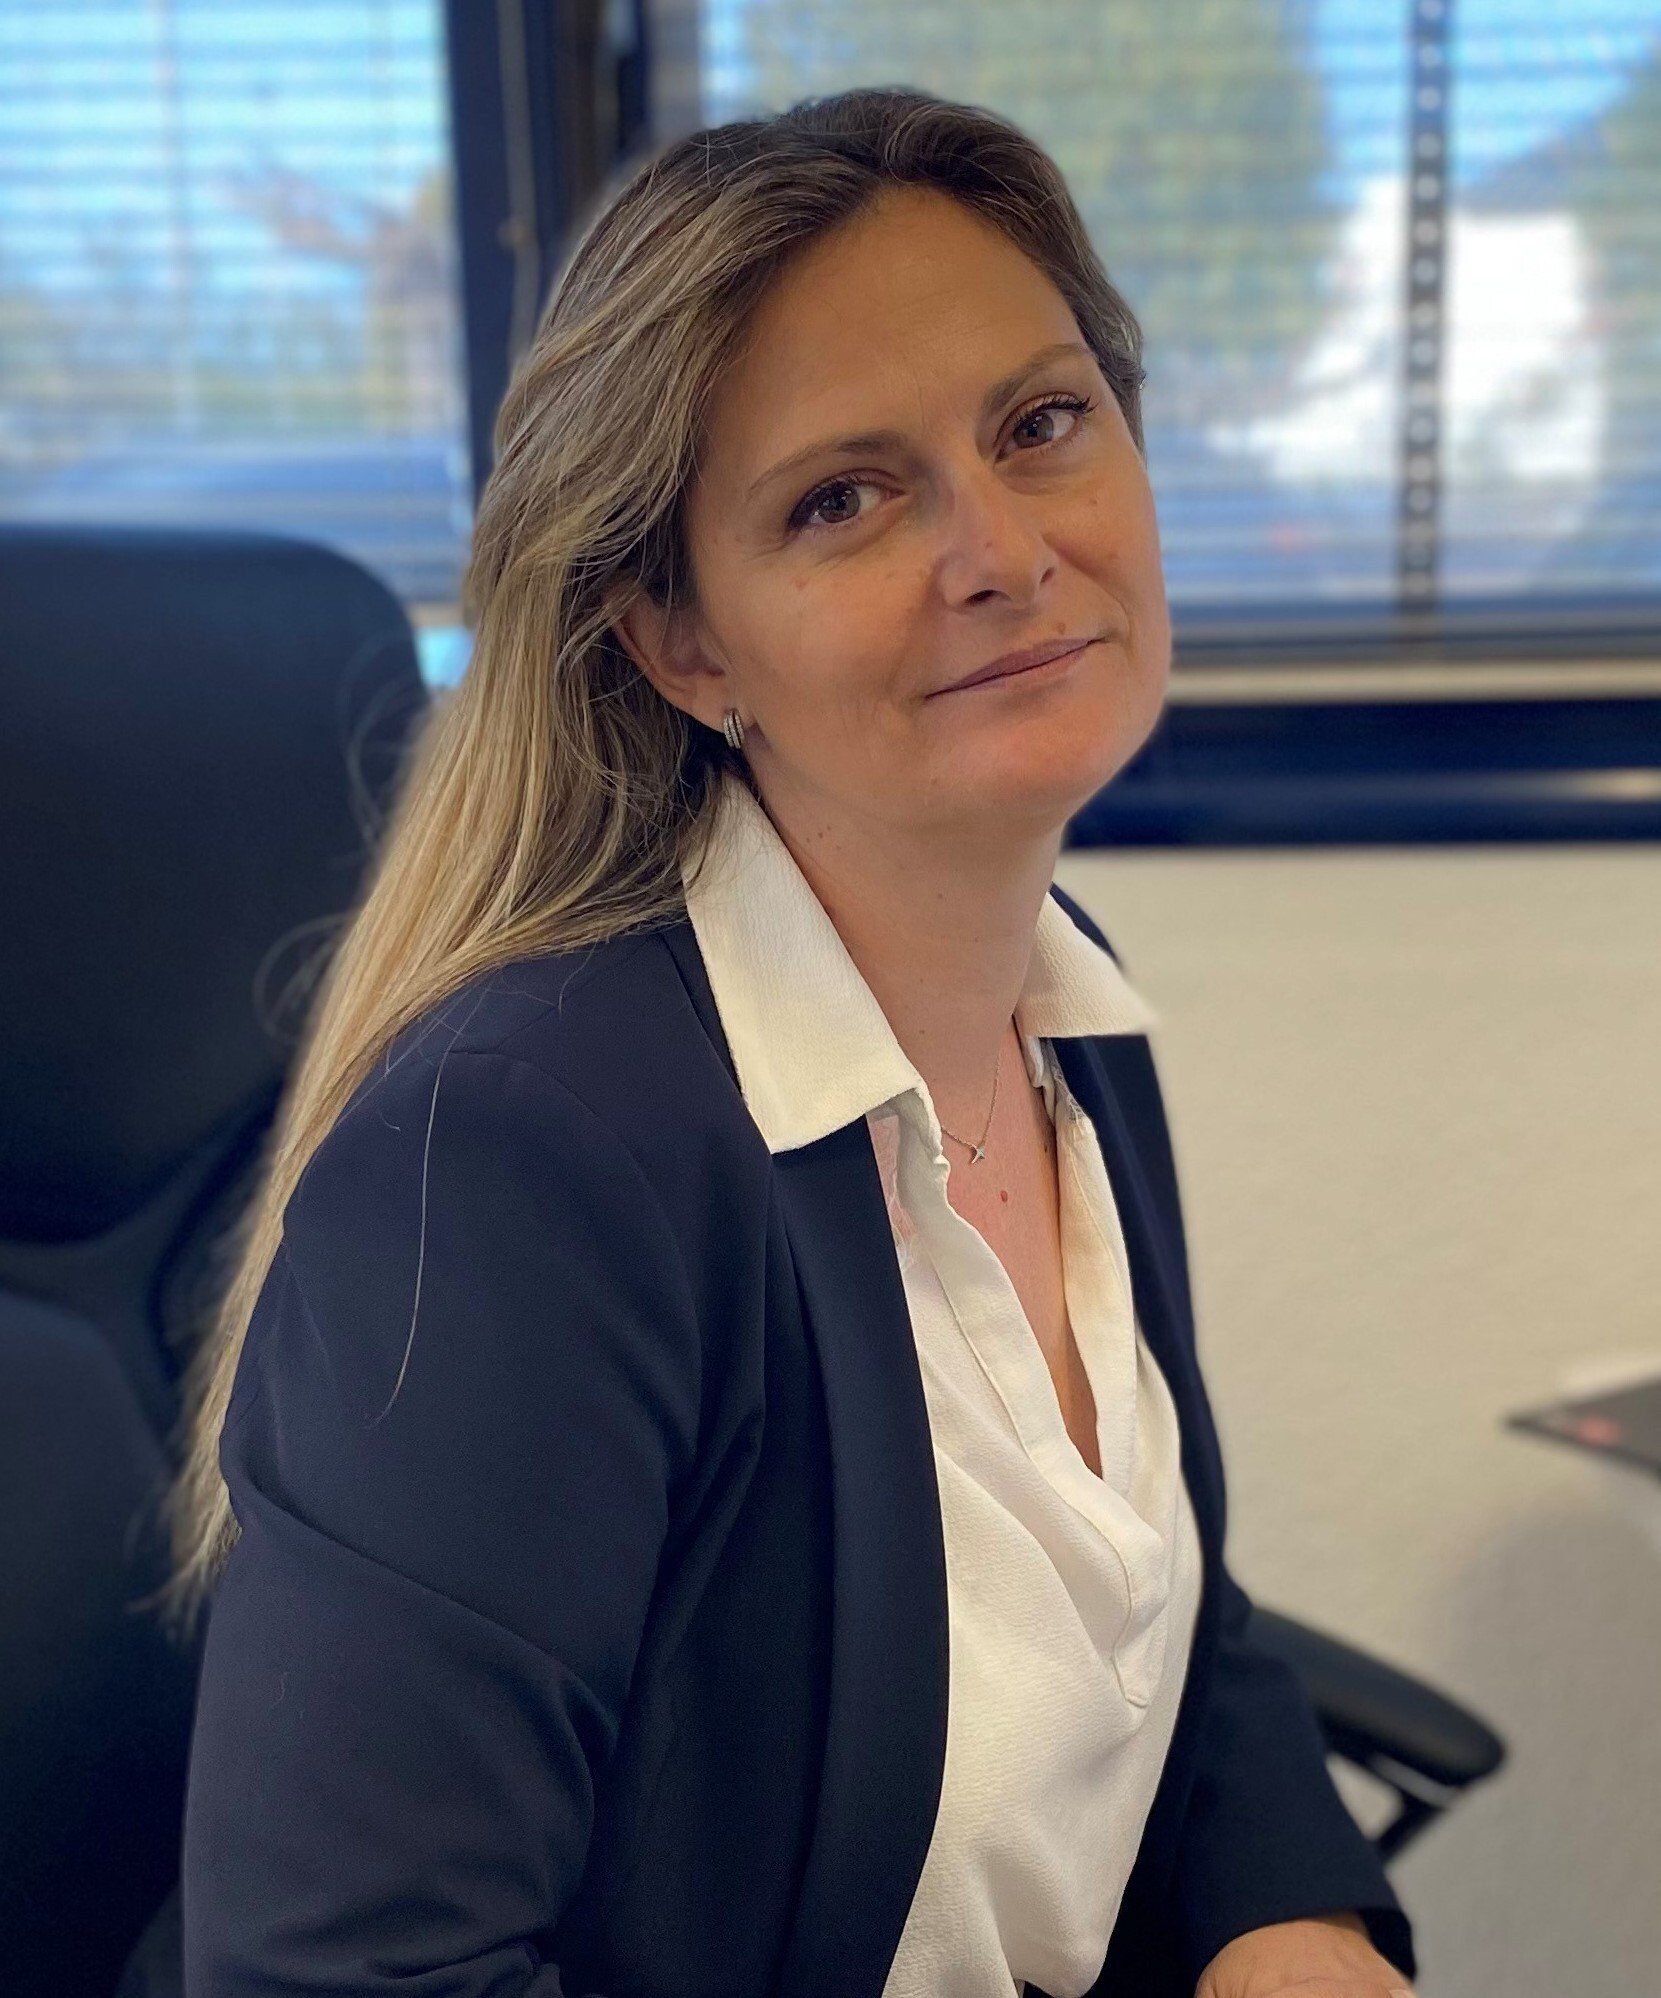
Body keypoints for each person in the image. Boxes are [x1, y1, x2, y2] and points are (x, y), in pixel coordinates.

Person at [157, 86, 1419, 1998]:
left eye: (1039, 423)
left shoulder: (1064, 1011)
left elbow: (1157, 1613)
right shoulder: (526, 1158)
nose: (1000, 548)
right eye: (843, 498)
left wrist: (1291, 1931)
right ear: (682, 643)